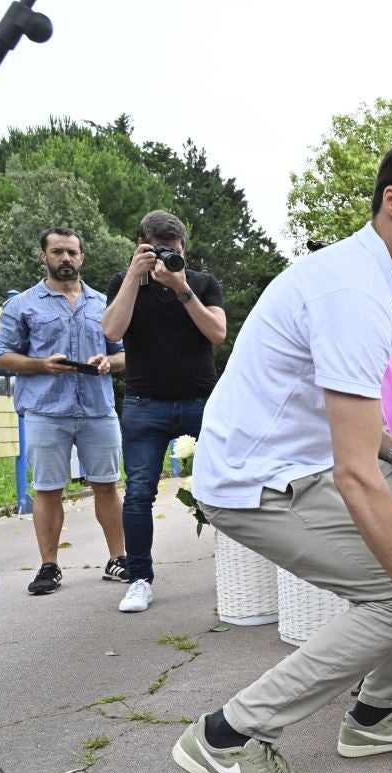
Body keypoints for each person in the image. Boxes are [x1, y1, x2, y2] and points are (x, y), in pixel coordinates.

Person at [173, 142, 392, 773]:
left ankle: (376, 717)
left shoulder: (381, 284)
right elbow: (351, 473)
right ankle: (228, 736)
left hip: (305, 463)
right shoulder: (352, 292)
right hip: (255, 481)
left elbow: (353, 420)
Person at [0, 227, 127, 595]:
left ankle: (119, 559)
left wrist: (108, 363)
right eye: (57, 252)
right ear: (44, 256)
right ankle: (49, 567)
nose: (65, 258)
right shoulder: (22, 305)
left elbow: (126, 352)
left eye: (71, 252)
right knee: (48, 489)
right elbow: (0, 355)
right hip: (46, 411)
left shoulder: (103, 303)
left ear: (82, 257)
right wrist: (41, 365)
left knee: (107, 485)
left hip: (98, 409)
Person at [103, 211, 227, 613]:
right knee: (138, 494)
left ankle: (235, 567)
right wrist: (131, 278)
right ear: (141, 245)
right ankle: (139, 579)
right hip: (145, 404)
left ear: (183, 249)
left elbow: (217, 333)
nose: (166, 258)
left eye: (173, 251)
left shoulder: (203, 283)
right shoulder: (125, 285)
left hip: (200, 401)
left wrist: (182, 288)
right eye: (157, 250)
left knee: (227, 486)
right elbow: (112, 331)